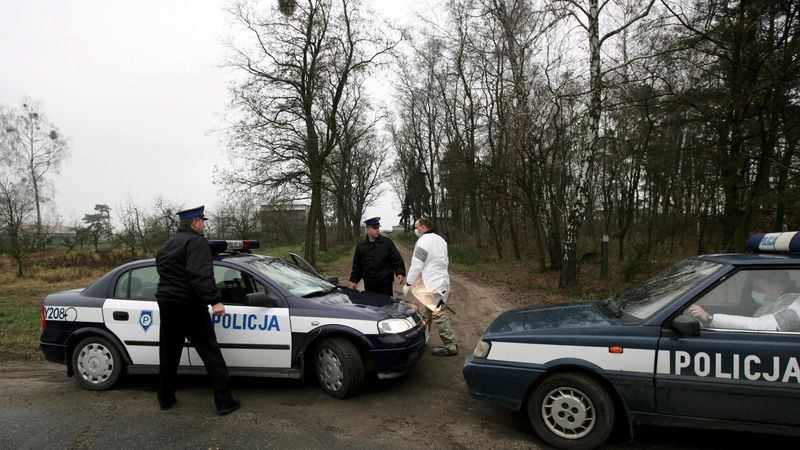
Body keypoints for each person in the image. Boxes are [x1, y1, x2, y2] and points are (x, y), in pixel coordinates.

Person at [155, 205, 241, 415]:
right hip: (188, 304)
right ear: (195, 223)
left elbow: (169, 267)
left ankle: (165, 399)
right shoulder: (196, 242)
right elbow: (200, 273)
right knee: (210, 352)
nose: (204, 224)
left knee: (168, 353)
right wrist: (214, 301)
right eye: (202, 221)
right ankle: (224, 402)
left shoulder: (168, 244)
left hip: (166, 303)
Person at [403, 217, 458, 356]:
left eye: (416, 227)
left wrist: (408, 283)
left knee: (438, 313)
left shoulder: (423, 241)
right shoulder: (441, 240)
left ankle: (450, 345)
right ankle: (421, 340)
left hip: (433, 285)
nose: (415, 230)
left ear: (422, 227)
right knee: (425, 313)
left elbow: (416, 265)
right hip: (442, 283)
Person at [688, 270, 800, 332]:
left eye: (759, 289)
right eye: (753, 288)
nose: (754, 292)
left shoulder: (791, 310)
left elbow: (759, 326)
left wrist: (710, 318)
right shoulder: (775, 302)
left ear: (778, 291)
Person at [348, 217, 406, 296]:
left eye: (378, 228)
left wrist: (399, 273)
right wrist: (354, 281)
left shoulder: (387, 243)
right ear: (368, 230)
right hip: (369, 284)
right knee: (372, 306)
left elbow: (396, 259)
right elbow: (357, 265)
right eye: (374, 228)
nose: (377, 230)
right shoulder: (361, 245)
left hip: (385, 284)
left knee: (386, 306)